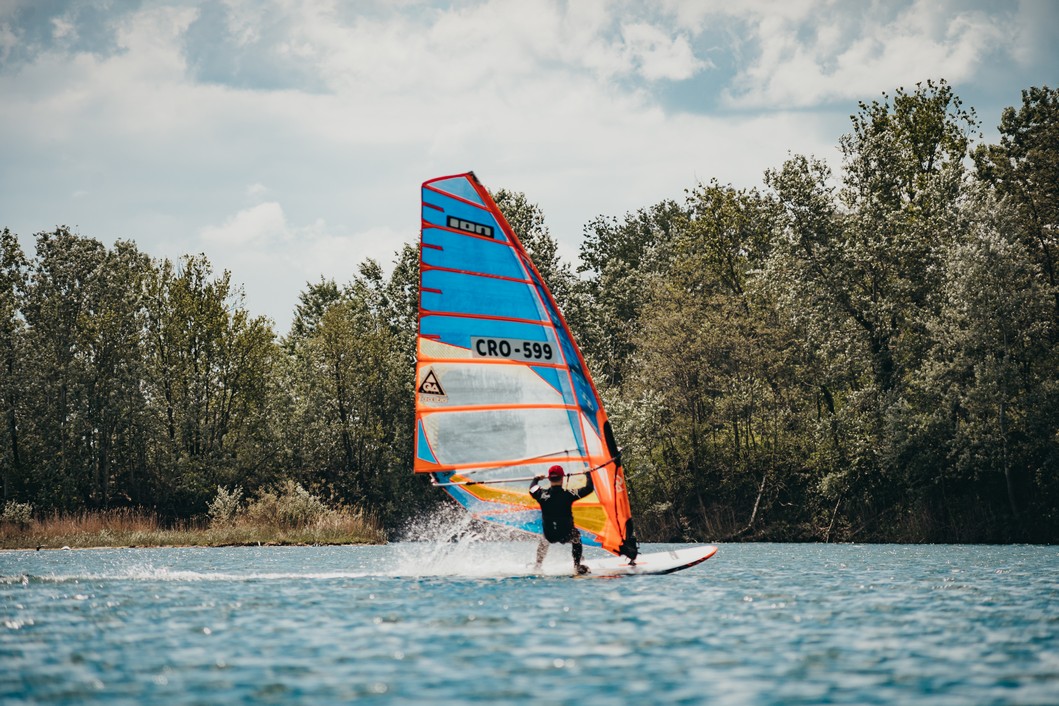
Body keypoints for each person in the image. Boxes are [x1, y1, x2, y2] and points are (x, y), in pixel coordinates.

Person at [529, 465, 594, 575]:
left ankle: (538, 565)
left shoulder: (541, 494)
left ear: (549, 478)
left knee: (544, 538)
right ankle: (577, 566)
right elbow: (589, 488)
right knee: (576, 536)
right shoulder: (568, 494)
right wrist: (587, 474)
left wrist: (536, 479)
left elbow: (532, 489)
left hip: (550, 535)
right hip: (566, 534)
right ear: (563, 478)